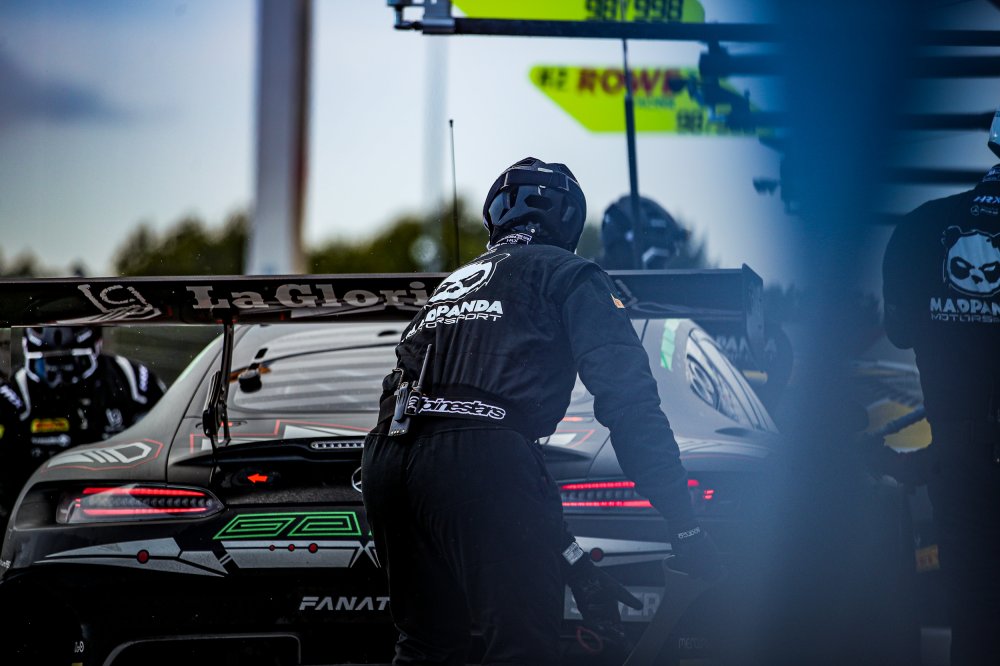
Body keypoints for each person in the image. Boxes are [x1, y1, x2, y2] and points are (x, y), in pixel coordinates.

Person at [362, 157, 722, 665]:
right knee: (522, 650)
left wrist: (573, 561)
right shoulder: (572, 273)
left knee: (426, 646)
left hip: (386, 459)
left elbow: (465, 452)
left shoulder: (454, 283)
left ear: (494, 216)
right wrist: (684, 524)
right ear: (569, 220)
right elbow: (629, 405)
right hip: (480, 458)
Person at [881, 111, 1000, 665]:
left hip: (960, 465)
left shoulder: (920, 230)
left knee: (973, 622)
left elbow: (900, 333)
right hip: (958, 459)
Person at [0, 326, 165, 506]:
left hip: (121, 501)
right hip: (36, 506)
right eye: (45, 363)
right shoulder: (12, 394)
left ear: (97, 347)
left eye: (74, 362)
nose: (60, 375)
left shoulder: (133, 381)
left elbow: (162, 447)